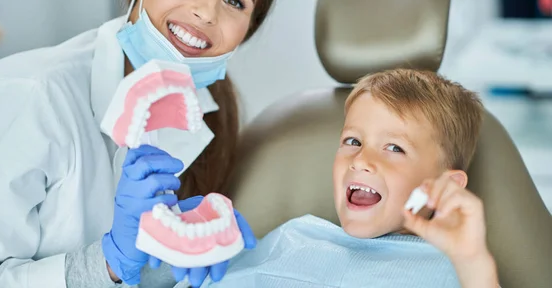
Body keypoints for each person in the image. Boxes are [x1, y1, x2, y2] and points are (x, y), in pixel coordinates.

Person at [0, 0, 280, 288]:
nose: (207, 13)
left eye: (234, 1)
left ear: (248, 30)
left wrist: (175, 253)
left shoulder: (212, 112)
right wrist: (106, 263)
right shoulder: (26, 97)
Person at [203, 69, 500, 288]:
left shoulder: (454, 270)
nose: (361, 160)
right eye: (353, 141)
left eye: (394, 148)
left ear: (445, 187)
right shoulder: (295, 236)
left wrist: (474, 264)